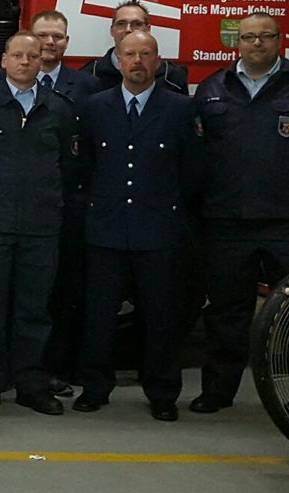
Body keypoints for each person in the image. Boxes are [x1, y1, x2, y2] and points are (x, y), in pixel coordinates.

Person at [190, 10, 289, 413]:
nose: (256, 43)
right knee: (226, 313)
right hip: (227, 222)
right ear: (237, 43)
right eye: (248, 37)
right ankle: (217, 391)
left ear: (280, 41)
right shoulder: (212, 89)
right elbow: (199, 153)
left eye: (265, 36)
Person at [72, 29, 204, 421]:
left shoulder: (180, 108)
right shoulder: (95, 107)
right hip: (106, 228)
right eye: (130, 54)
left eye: (146, 54)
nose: (138, 62)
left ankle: (162, 392)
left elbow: (193, 170)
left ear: (158, 62)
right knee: (98, 315)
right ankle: (95, 387)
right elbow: (84, 166)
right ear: (118, 59)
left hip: (157, 229)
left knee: (160, 316)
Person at [0, 33, 80, 415]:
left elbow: (69, 166)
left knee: (34, 308)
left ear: (42, 62)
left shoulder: (59, 108)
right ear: (3, 60)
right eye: (17, 55)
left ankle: (30, 384)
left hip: (41, 224)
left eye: (32, 56)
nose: (25, 62)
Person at [31, 9, 107, 392]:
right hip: (26, 204)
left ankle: (60, 366)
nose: (50, 42)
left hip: (70, 204)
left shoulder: (88, 86)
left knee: (67, 291)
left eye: (57, 36)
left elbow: (93, 146)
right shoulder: (4, 81)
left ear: (67, 42)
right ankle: (25, 366)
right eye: (43, 35)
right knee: (29, 292)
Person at [81, 0, 189, 94]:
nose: (128, 29)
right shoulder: (89, 75)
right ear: (112, 30)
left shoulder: (172, 77)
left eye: (137, 24)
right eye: (121, 24)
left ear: (148, 29)